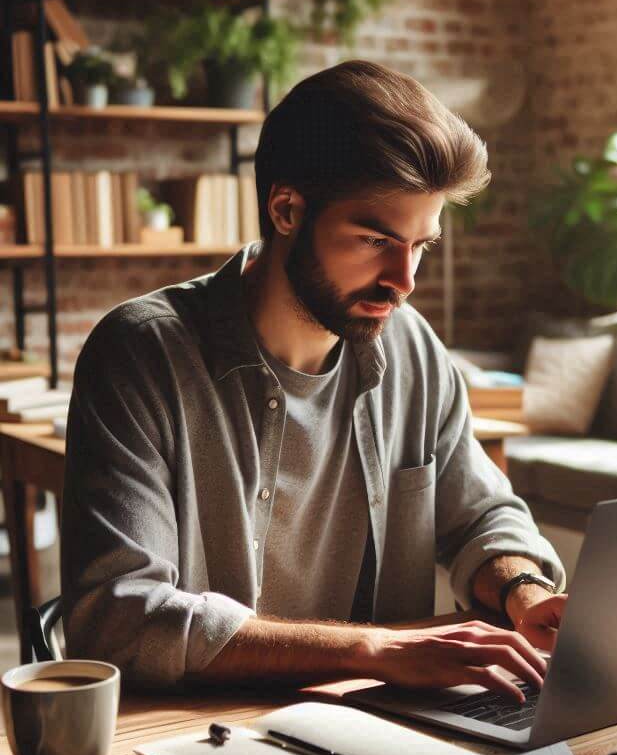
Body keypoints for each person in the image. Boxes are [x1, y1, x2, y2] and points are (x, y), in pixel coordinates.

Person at [61, 60, 566, 700]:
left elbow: (481, 517)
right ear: (287, 209)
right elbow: (119, 613)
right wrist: (378, 649)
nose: (405, 281)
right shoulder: (140, 355)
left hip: (384, 723)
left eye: (421, 245)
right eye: (375, 239)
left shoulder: (413, 349)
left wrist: (524, 590)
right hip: (201, 730)